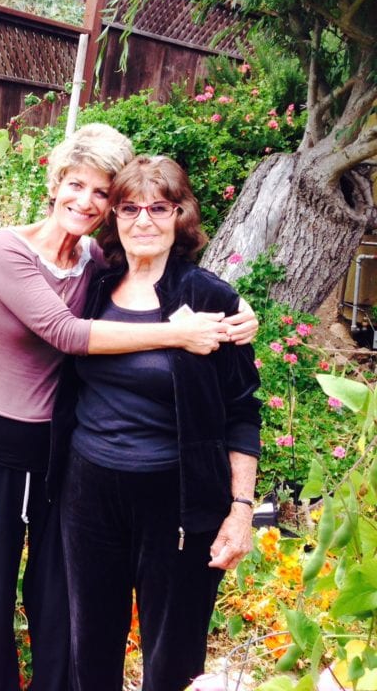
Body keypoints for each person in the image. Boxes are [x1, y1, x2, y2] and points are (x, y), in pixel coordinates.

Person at [0, 125, 257, 691]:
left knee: (58, 601)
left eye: (102, 193)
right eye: (77, 185)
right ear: (55, 183)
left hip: (65, 457)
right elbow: (67, 333)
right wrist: (175, 335)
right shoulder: (9, 248)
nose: (87, 203)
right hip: (3, 444)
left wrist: (243, 313)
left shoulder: (97, 263)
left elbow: (235, 391)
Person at [53, 155, 262, 691]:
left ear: (179, 215)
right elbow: (47, 328)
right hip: (89, 491)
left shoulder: (209, 297)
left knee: (173, 655)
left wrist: (240, 511)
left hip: (177, 498)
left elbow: (242, 409)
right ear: (115, 218)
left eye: (158, 208)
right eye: (129, 208)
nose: (143, 220)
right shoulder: (96, 285)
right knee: (90, 645)